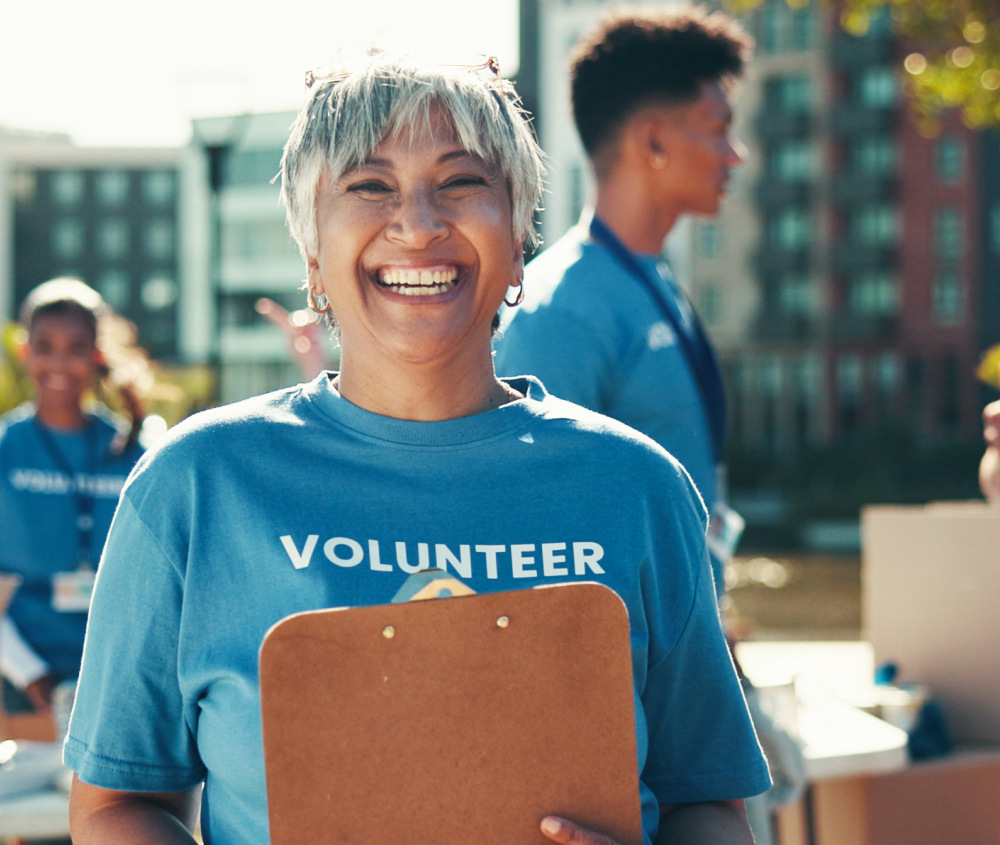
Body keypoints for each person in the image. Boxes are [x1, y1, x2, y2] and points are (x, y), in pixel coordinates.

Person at [64, 53, 769, 845]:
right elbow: (119, 803)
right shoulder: (195, 486)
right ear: (311, 255)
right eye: (370, 186)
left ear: (518, 239)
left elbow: (706, 804)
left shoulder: (639, 486)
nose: (419, 223)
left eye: (463, 181)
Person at [495, 9, 750, 590]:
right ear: (653, 139)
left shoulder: (651, 279)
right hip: (621, 666)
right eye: (717, 128)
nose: (735, 154)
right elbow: (536, 542)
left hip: (675, 646)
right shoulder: (559, 311)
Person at [0, 278, 150, 726]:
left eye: (76, 348)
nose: (59, 362)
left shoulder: (141, 452)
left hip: (121, 689)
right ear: (23, 351)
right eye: (44, 346)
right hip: (20, 690)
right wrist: (35, 679)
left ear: (98, 354)